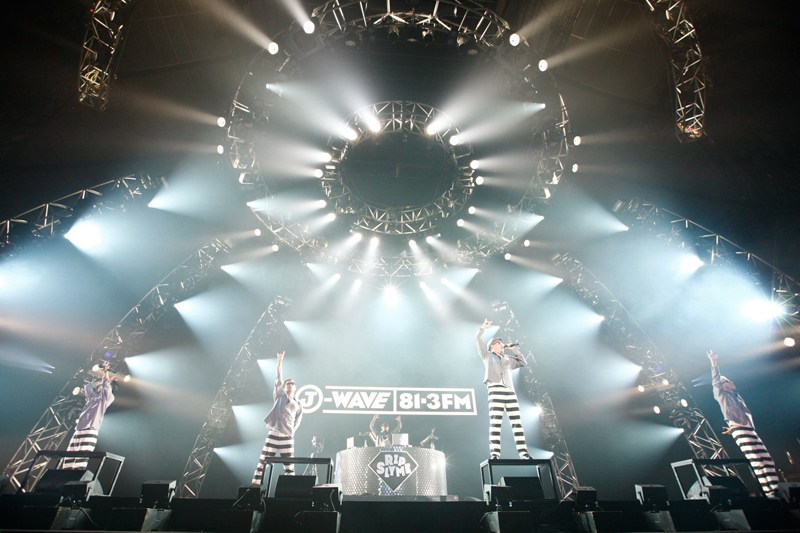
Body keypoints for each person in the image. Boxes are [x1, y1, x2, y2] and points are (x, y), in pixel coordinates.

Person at [707, 350, 780, 497]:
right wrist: (713, 362)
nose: (732, 382)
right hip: (740, 429)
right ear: (723, 385)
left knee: (766, 460)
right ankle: (770, 493)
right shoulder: (722, 395)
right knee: (757, 461)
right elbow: (716, 381)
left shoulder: (737, 396)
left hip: (748, 429)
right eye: (728, 381)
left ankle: (776, 489)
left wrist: (732, 426)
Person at [477, 319, 531, 460]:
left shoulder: (508, 358)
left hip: (510, 391)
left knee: (517, 422)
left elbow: (523, 362)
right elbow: (478, 340)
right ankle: (495, 453)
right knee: (496, 422)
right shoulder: (487, 356)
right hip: (495, 390)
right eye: (499, 343)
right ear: (492, 346)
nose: (501, 344)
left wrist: (513, 349)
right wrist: (483, 328)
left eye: (502, 343)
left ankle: (523, 453)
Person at [252, 351, 303, 484]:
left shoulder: (298, 403)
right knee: (263, 462)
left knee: (289, 467)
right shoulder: (280, 396)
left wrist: (291, 431)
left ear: (295, 387)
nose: (290, 385)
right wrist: (279, 364)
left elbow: (298, 420)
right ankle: (254, 488)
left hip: (287, 436)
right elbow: (278, 381)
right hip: (274, 433)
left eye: (292, 383)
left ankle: (290, 490)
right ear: (285, 387)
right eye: (288, 384)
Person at [63, 362, 116, 470]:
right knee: (69, 458)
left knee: (80, 460)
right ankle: (64, 475)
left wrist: (106, 372)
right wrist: (100, 382)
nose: (101, 386)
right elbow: (88, 387)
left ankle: (76, 477)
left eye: (104, 385)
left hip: (90, 430)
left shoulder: (107, 399)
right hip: (79, 429)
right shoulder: (93, 397)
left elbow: (106, 386)